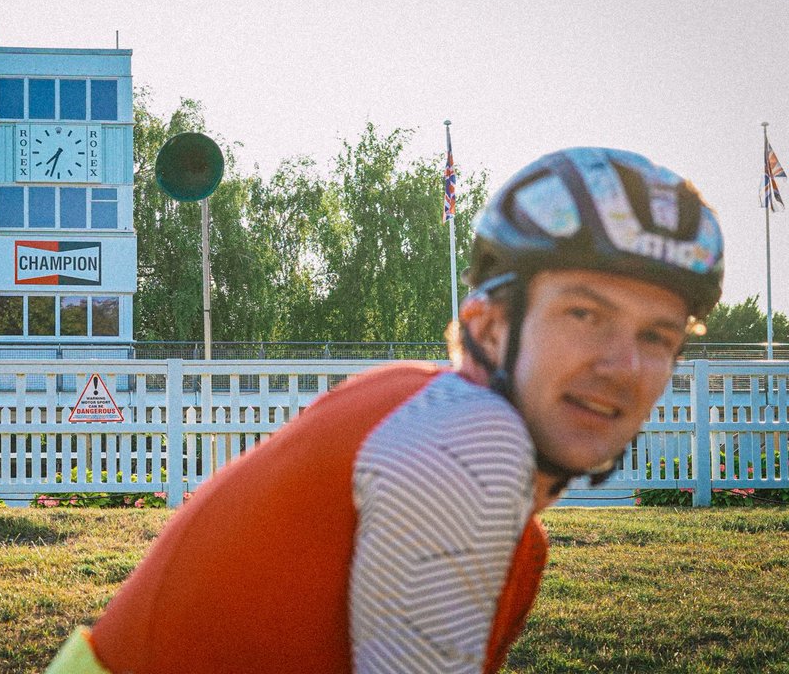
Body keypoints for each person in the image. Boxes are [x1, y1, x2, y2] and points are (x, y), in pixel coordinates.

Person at [46, 147, 724, 674]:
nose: (623, 365)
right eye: (585, 314)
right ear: (487, 329)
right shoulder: (466, 439)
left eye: (657, 336)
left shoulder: (419, 408)